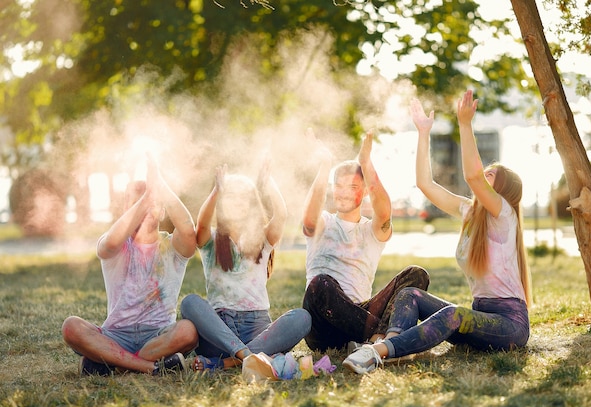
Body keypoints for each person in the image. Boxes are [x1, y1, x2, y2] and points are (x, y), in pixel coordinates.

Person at [343, 90, 533, 374]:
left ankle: (376, 352)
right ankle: (393, 347)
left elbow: (472, 175)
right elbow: (425, 184)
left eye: (490, 176)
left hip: (509, 325)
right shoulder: (471, 213)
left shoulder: (504, 214)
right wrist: (423, 133)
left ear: (502, 191)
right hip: (479, 317)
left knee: (452, 314)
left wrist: (465, 125)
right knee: (409, 295)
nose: (482, 180)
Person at [61, 156, 199, 376]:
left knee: (188, 331)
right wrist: (147, 199)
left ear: (162, 210)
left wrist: (159, 185)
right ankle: (150, 367)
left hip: (158, 336)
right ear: (126, 210)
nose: (143, 208)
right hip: (116, 335)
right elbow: (112, 242)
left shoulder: (172, 246)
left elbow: (189, 231)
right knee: (71, 326)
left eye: (151, 203)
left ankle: (111, 362)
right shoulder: (113, 243)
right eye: (134, 203)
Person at [301, 128, 430, 353]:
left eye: (352, 187)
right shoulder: (324, 222)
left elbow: (384, 212)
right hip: (322, 325)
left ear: (365, 191)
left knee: (416, 274)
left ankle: (377, 340)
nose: (344, 193)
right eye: (339, 186)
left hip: (360, 317)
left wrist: (366, 163)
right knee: (321, 282)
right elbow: (309, 217)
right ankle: (383, 339)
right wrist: (324, 167)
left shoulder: (370, 230)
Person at [180, 162, 311, 372]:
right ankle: (250, 357)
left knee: (302, 318)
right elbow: (201, 225)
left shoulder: (262, 238)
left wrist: (269, 185)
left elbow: (281, 215)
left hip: (257, 327)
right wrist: (216, 191)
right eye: (231, 196)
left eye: (244, 197)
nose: (238, 202)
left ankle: (226, 364)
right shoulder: (212, 240)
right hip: (219, 334)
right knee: (190, 303)